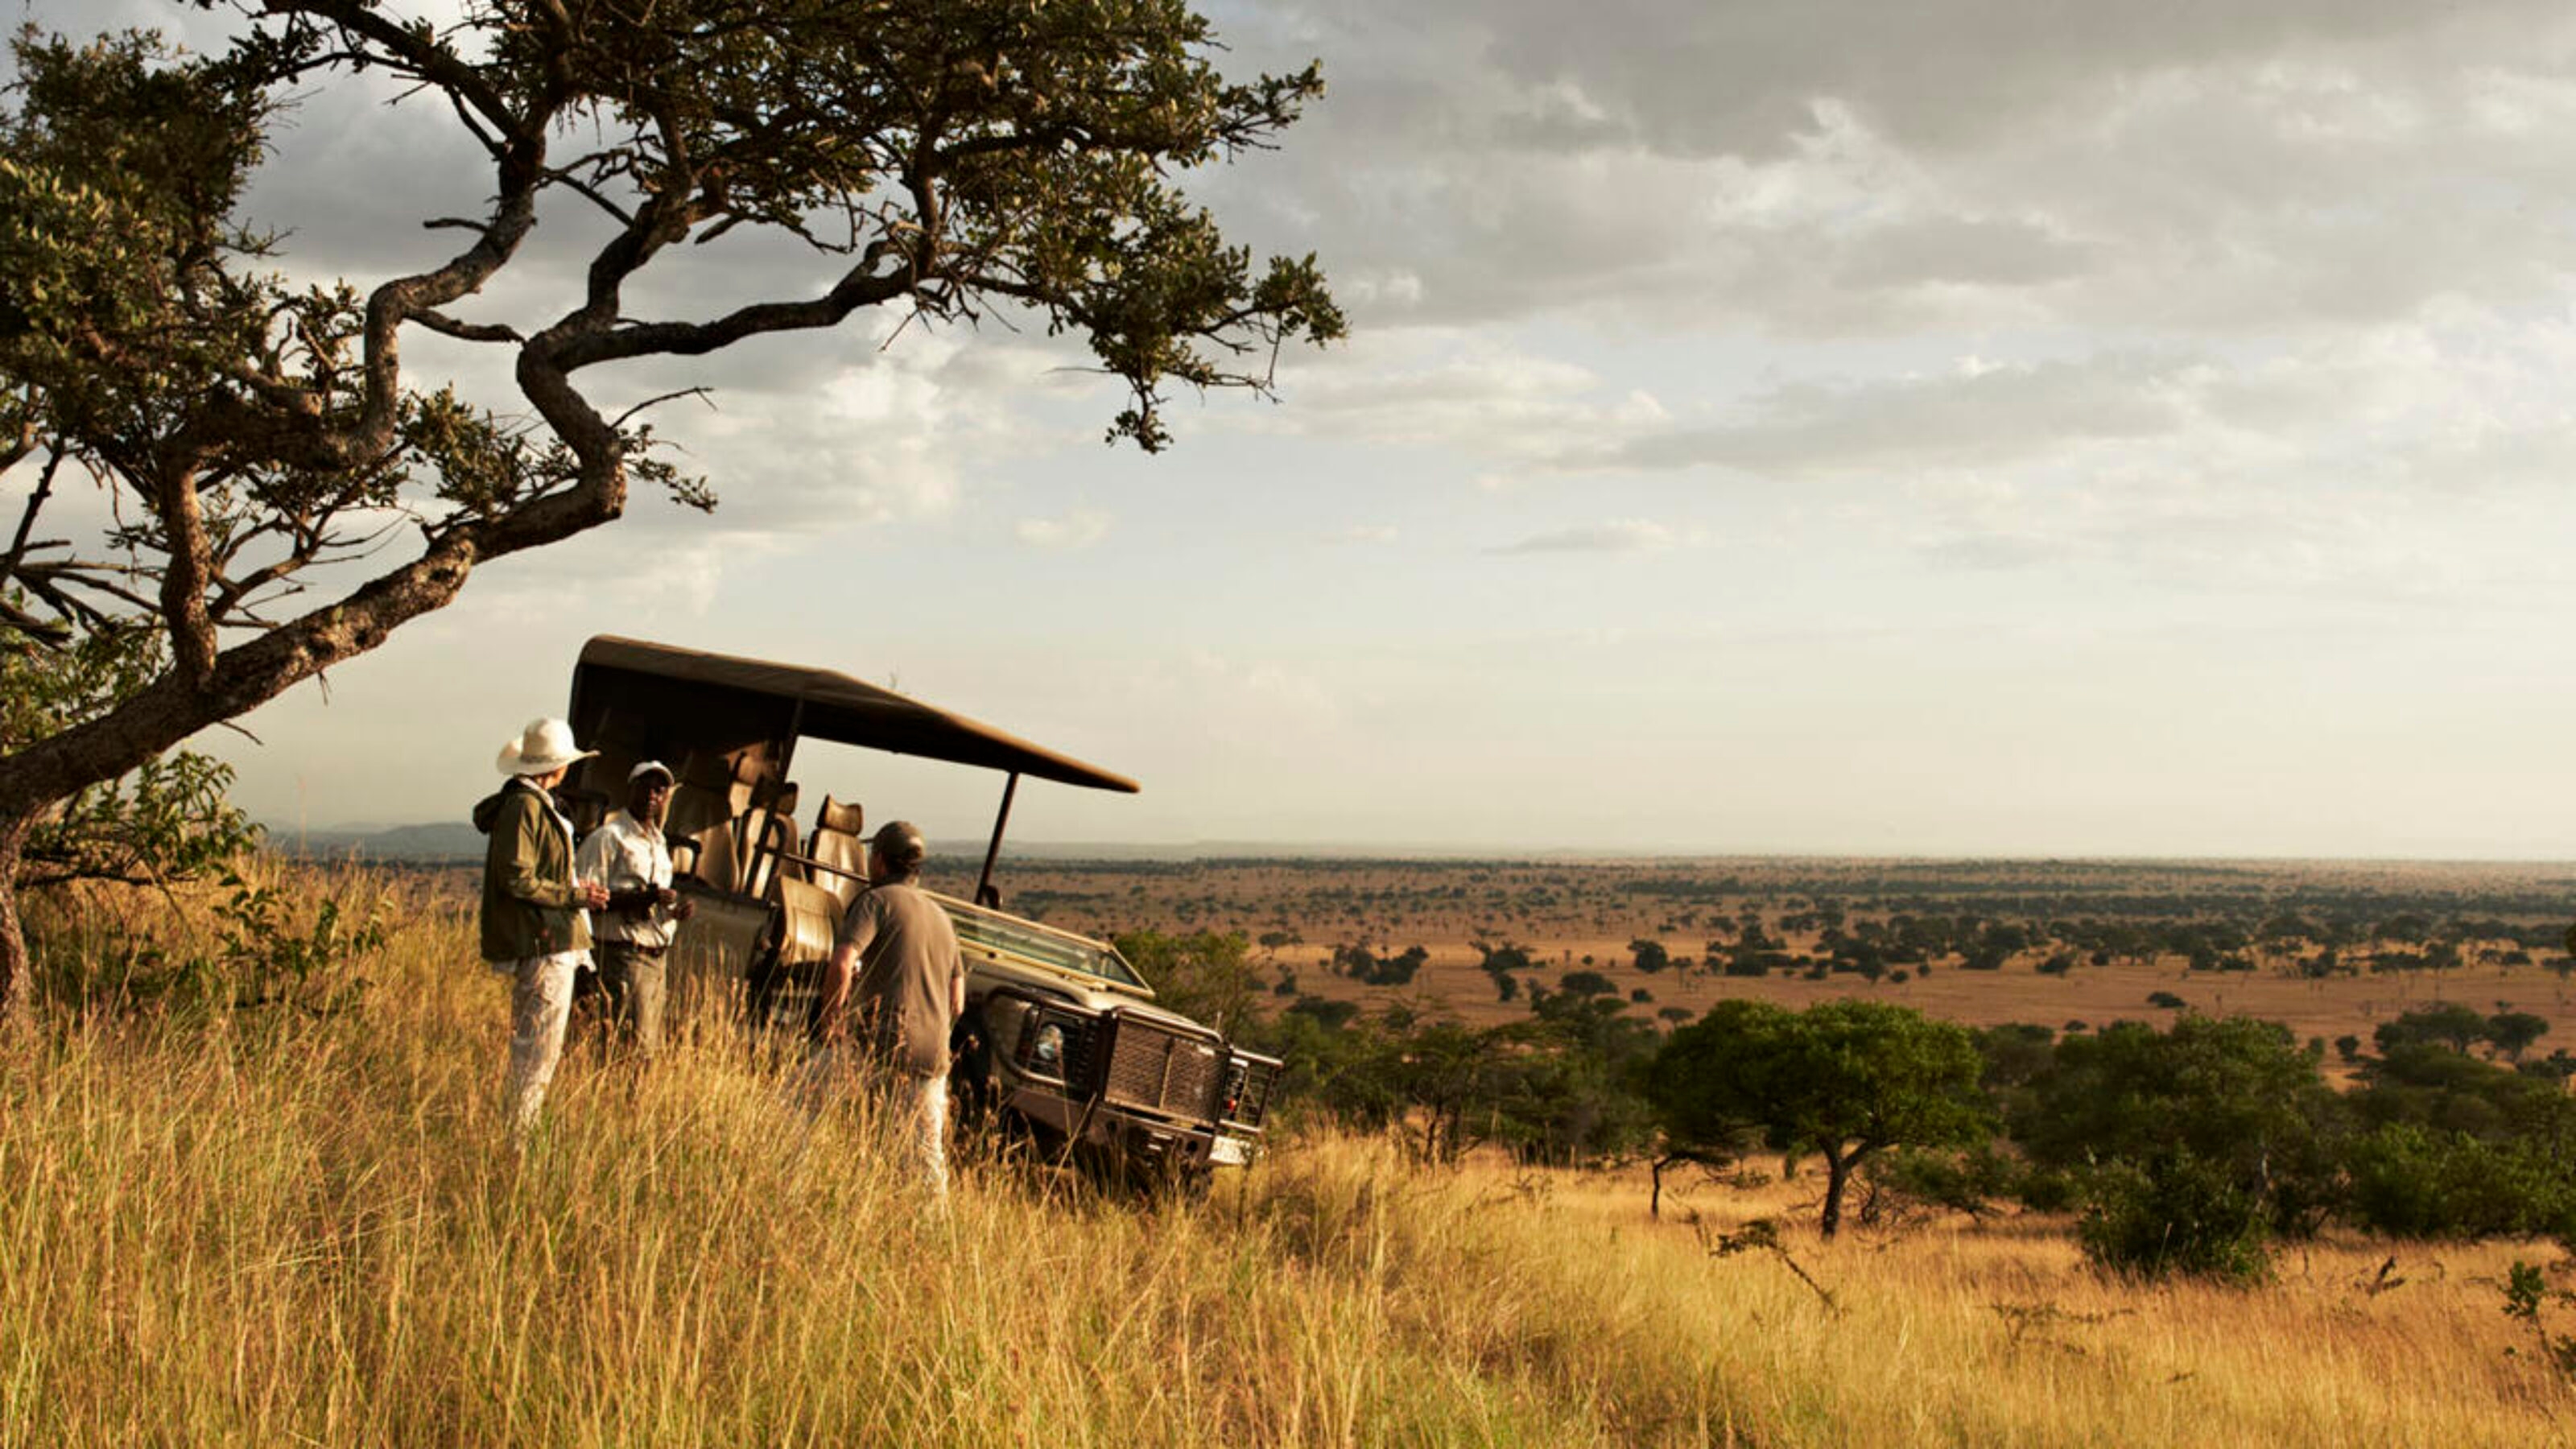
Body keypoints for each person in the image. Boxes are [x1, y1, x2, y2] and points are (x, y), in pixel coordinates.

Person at [474, 717, 610, 1136]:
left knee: (537, 1051)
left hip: (549, 938)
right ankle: (517, 1141)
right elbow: (518, 877)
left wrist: (573, 888)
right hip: (545, 941)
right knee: (536, 1053)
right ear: (559, 766)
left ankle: (517, 1135)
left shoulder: (529, 803)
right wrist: (574, 897)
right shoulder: (525, 807)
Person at [816, 819, 966, 1196]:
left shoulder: (876, 900)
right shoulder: (942, 918)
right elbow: (957, 1000)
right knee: (926, 1156)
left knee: (800, 1103)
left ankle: (792, 1185)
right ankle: (934, 1234)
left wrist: (831, 1022)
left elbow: (843, 962)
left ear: (880, 861)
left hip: (880, 1041)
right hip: (933, 1055)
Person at [574, 759, 694, 1058]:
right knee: (627, 1048)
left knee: (647, 1048)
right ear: (631, 790)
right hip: (623, 953)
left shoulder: (659, 843)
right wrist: (642, 899)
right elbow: (583, 900)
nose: (652, 795)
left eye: (659, 790)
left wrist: (674, 911)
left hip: (655, 956)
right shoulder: (609, 838)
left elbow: (654, 901)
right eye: (646, 787)